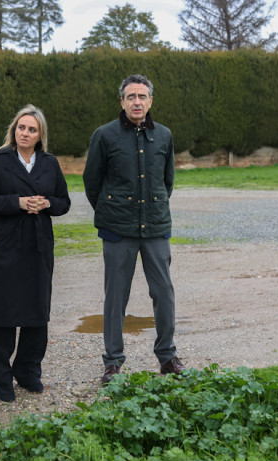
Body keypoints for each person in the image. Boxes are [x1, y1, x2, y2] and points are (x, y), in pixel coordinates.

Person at [83, 74, 184, 385]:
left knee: (164, 293)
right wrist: (112, 211)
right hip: (118, 230)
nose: (137, 102)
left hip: (155, 228)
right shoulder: (104, 135)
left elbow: (167, 181)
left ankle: (167, 357)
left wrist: (153, 207)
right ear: (122, 101)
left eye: (142, 96)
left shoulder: (164, 135)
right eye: (131, 97)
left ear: (150, 101)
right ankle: (113, 362)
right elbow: (92, 182)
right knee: (116, 298)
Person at [0, 104, 71, 402]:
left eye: (32, 129)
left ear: (40, 135)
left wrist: (47, 204)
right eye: (21, 127)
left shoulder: (49, 163)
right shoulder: (0, 160)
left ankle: (28, 371)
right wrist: (17, 203)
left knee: (36, 313)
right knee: (2, 313)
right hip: (6, 247)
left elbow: (64, 202)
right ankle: (1, 378)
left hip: (38, 248)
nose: (25, 133)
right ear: (14, 130)